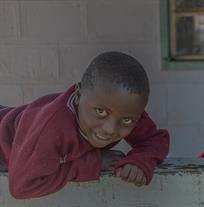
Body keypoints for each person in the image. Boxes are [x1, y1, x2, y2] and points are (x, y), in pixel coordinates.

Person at [0, 51, 169, 199]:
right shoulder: (51, 127)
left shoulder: (123, 109)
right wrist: (92, 163)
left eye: (127, 121)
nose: (110, 129)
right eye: (100, 112)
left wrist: (140, 160)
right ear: (79, 94)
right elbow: (22, 186)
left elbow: (156, 139)